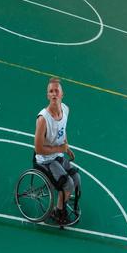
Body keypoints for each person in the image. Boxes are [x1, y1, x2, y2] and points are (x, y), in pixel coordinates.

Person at [34, 77, 81, 226]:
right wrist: (60, 149)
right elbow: (38, 149)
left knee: (76, 178)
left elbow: (62, 130)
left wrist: (66, 147)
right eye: (51, 91)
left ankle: (62, 201)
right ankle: (58, 211)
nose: (54, 94)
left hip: (58, 156)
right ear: (48, 95)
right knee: (67, 184)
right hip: (45, 160)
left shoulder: (65, 110)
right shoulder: (43, 119)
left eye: (56, 91)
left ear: (62, 94)